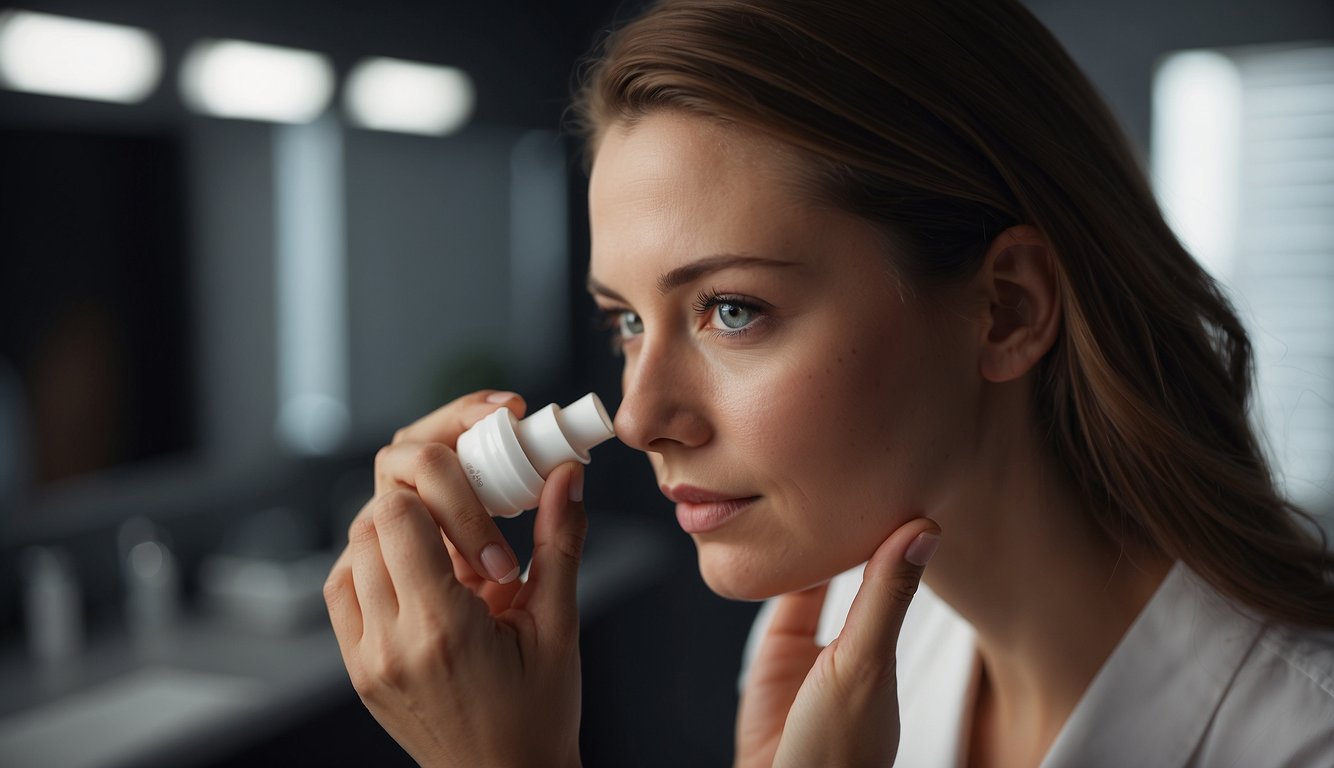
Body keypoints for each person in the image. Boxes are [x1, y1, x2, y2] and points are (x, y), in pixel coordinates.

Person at [322, 0, 1334, 765]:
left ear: (1007, 309)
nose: (638, 416)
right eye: (626, 320)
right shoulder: (833, 648)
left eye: (731, 310)